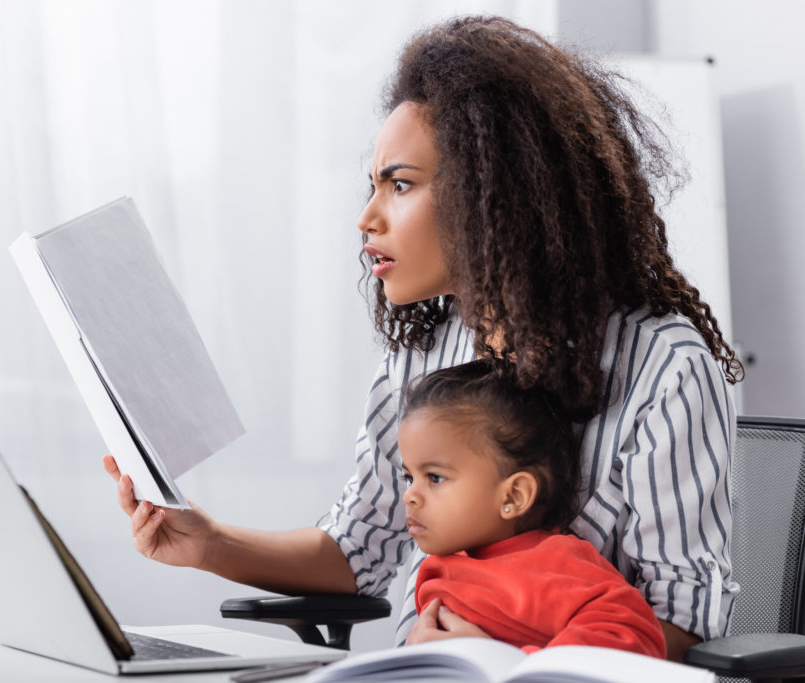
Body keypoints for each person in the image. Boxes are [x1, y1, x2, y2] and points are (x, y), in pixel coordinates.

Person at [103, 15, 742, 662]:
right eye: (373, 183)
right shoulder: (422, 355)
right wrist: (206, 541)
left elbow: (685, 623)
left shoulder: (664, 366)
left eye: (400, 184)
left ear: (497, 193)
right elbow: (359, 548)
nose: (367, 216)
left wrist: (511, 656)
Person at [398, 359, 665, 657]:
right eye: (409, 477)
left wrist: (503, 662)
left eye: (435, 477)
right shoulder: (441, 568)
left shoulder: (555, 565)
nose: (410, 495)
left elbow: (632, 635)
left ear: (514, 496)